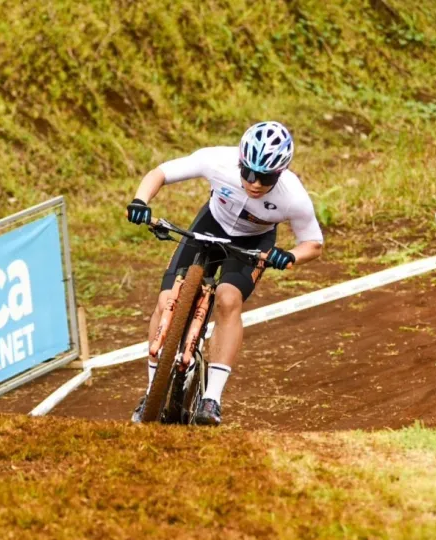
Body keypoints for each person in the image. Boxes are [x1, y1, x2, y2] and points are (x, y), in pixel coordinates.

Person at [126, 121, 324, 425]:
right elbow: (160, 173)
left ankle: (212, 399)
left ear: (281, 173)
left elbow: (313, 244)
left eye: (266, 177)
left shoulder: (292, 196)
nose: (256, 183)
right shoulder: (217, 160)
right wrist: (140, 200)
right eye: (249, 173)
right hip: (211, 224)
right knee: (166, 298)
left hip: (254, 241)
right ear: (240, 163)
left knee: (228, 299)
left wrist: (290, 256)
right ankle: (151, 391)